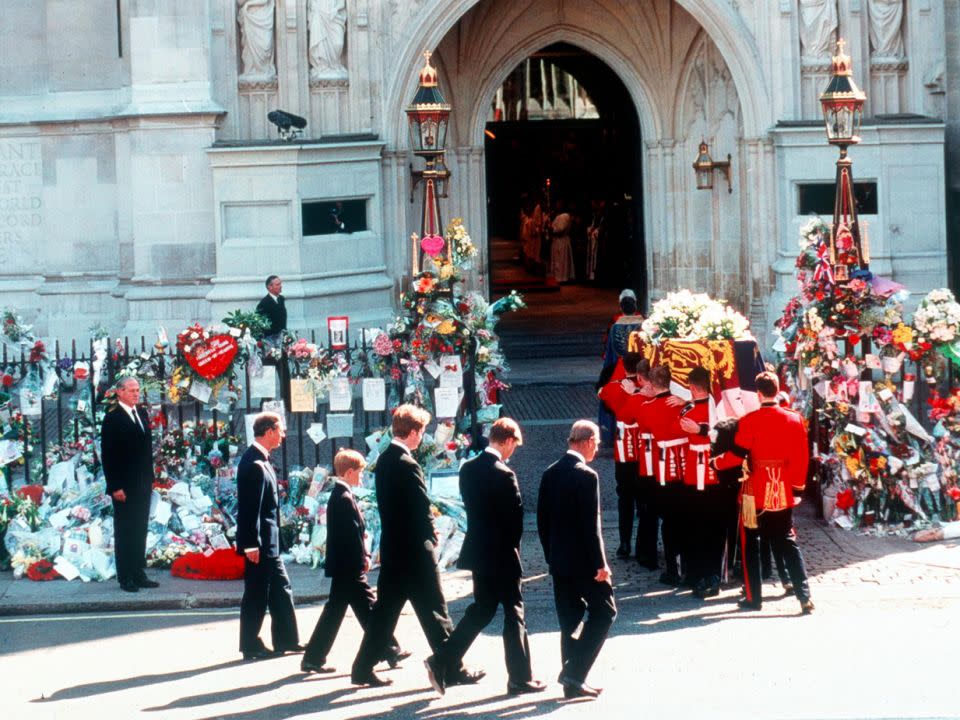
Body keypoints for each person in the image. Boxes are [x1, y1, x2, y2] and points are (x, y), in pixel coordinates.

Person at [351, 405, 483, 688]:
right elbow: (420, 505)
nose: (422, 437)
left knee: (385, 615)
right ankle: (451, 666)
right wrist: (430, 533)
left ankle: (362, 668)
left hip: (394, 549)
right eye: (421, 432)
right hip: (414, 550)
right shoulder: (408, 464)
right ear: (412, 433)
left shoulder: (385, 459)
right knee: (436, 609)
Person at [426, 419, 545, 697]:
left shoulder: (468, 469)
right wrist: (512, 551)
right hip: (502, 553)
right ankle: (520, 677)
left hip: (478, 550)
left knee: (482, 609)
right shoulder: (504, 473)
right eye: (514, 445)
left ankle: (442, 658)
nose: (513, 451)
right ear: (507, 440)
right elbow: (515, 522)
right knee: (514, 612)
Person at [714, 372, 814, 614]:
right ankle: (804, 597)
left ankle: (754, 597)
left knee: (751, 545)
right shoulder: (794, 419)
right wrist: (797, 489)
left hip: (755, 491)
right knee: (787, 542)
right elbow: (801, 458)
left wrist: (715, 463)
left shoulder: (750, 421)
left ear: (758, 394)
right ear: (777, 390)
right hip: (781, 489)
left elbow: (737, 456)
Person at [301, 449, 409, 674]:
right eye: (359, 472)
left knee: (348, 609)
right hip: (349, 566)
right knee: (367, 606)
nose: (361, 476)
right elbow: (351, 536)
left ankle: (314, 657)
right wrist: (364, 559)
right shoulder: (344, 498)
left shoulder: (341, 496)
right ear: (349, 472)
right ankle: (388, 648)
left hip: (344, 565)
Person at [538, 420, 617, 700]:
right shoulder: (587, 475)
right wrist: (600, 564)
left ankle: (573, 682)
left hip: (560, 561)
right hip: (584, 562)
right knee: (605, 611)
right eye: (596, 443)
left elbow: (542, 521)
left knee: (569, 620)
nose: (597, 448)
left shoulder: (550, 473)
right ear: (586, 442)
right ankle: (574, 672)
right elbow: (591, 525)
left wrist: (551, 556)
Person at [236, 412, 302, 660]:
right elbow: (249, 508)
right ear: (269, 431)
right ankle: (250, 645)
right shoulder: (253, 463)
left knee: (280, 590)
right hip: (260, 544)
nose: (284, 435)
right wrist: (250, 544)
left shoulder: (261, 459)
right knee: (256, 594)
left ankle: (287, 640)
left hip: (269, 543)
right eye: (281, 430)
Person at [100, 377, 158, 593]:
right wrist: (115, 486)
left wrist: (151, 479)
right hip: (124, 486)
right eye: (132, 390)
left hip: (143, 483)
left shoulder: (140, 414)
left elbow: (145, 451)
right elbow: (109, 455)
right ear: (120, 392)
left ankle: (138, 571)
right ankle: (126, 576)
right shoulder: (113, 418)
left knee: (140, 528)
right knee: (125, 529)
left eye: (138, 390)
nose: (136, 394)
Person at [678, 366, 723, 598]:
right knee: (708, 527)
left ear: (693, 387)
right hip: (708, 474)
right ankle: (707, 573)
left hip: (702, 473)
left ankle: (704, 575)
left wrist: (701, 430)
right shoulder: (715, 406)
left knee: (699, 527)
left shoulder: (695, 408)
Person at [597, 352, 644, 560]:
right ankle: (643, 544)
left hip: (624, 446)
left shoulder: (614, 387)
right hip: (644, 447)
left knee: (624, 497)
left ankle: (625, 542)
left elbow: (602, 393)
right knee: (644, 497)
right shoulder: (646, 389)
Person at [597, 289, 644, 447]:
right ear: (635, 303)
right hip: (641, 369)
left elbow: (609, 353)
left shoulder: (615, 325)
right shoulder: (644, 323)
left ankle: (613, 435)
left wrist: (605, 376)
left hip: (619, 368)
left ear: (620, 306)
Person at [256, 274, 290, 405]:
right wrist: (263, 342)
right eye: (277, 284)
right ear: (269, 287)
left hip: (281, 342)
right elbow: (258, 324)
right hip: (269, 345)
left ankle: (288, 403)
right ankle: (266, 403)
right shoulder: (263, 304)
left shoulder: (281, 299)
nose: (280, 286)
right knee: (268, 375)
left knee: (284, 373)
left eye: (280, 284)